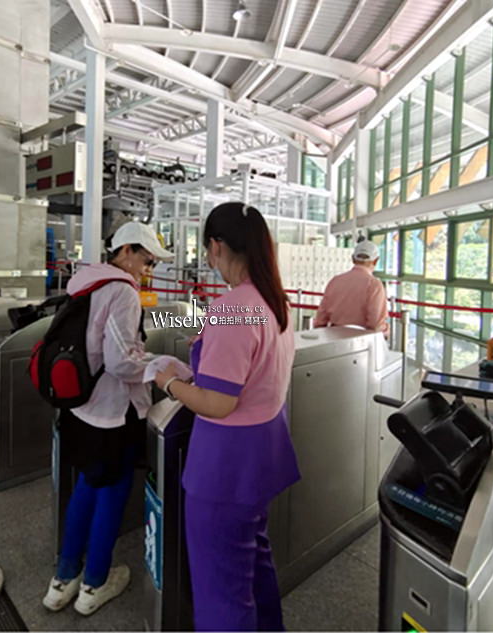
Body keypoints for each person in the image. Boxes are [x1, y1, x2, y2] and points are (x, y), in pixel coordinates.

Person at [155, 202, 300, 631]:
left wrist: (169, 381)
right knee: (253, 562)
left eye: (208, 250)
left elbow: (219, 404)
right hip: (263, 452)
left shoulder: (231, 309)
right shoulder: (274, 302)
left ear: (217, 246)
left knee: (221, 586)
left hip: (225, 466)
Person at [42, 221, 172, 616]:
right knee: (112, 494)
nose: (148, 269)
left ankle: (63, 580)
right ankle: (94, 584)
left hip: (80, 407)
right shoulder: (122, 291)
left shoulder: (85, 282)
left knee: (86, 485)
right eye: (147, 259)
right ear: (128, 250)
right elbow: (119, 361)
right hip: (112, 414)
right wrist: (159, 366)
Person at [313, 240, 389, 337]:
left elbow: (321, 319)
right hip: (361, 341)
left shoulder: (335, 281)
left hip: (333, 338)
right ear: (376, 261)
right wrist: (386, 330)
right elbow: (375, 324)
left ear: (353, 259)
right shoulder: (374, 285)